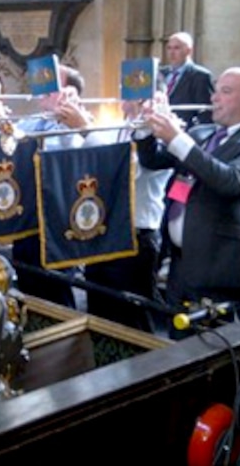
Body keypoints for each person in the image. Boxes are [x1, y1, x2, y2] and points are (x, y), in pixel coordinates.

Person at [135, 67, 240, 338]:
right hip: (180, 263)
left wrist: (177, 138)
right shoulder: (202, 133)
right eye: (216, 90)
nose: (214, 97)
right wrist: (147, 127)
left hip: (218, 265)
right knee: (175, 342)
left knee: (209, 348)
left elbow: (229, 181)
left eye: (225, 92)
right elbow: (153, 161)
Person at [0, 64, 86, 308]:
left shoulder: (77, 125)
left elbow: (56, 148)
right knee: (27, 287)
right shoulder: (35, 120)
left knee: (56, 293)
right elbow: (1, 145)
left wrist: (1, 120)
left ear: (70, 92)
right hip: (27, 217)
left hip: (55, 221)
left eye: (53, 84)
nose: (43, 88)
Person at [59, 99, 173, 332]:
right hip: (104, 231)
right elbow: (89, 164)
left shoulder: (160, 134)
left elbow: (125, 171)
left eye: (135, 94)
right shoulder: (118, 128)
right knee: (100, 312)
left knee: (132, 319)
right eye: (125, 92)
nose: (125, 100)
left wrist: (86, 128)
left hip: (136, 235)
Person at [160, 32, 214, 128]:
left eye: (177, 48)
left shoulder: (200, 75)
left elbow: (206, 110)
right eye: (169, 48)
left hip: (185, 130)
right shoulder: (160, 73)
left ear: (188, 51)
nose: (171, 53)